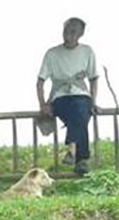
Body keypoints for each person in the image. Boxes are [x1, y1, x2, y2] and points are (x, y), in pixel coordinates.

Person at [37, 17, 99, 174]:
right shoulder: (52, 54)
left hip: (82, 95)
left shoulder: (87, 51)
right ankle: (82, 158)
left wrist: (94, 101)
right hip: (60, 97)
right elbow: (40, 81)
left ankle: (72, 149)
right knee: (79, 111)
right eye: (66, 31)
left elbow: (93, 78)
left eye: (73, 32)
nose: (68, 36)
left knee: (81, 108)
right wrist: (43, 104)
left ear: (80, 34)